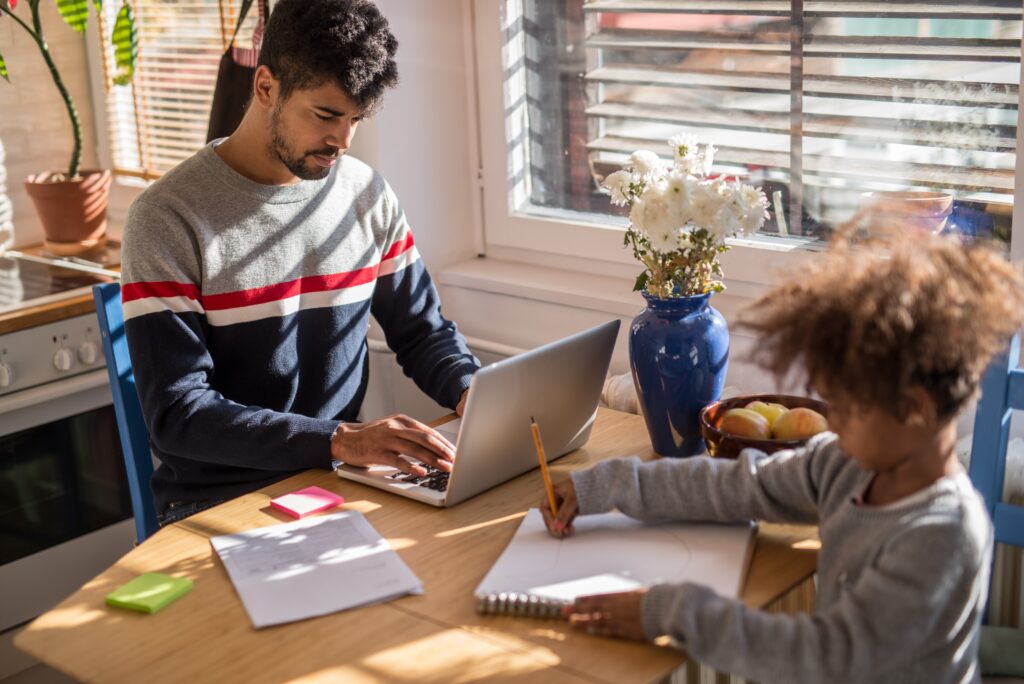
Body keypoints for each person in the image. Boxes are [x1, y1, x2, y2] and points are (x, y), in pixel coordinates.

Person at [541, 234, 1024, 683]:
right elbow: (737, 486)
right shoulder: (846, 465)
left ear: (915, 408)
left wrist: (674, 609)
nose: (833, 421)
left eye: (850, 407)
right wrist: (603, 486)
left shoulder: (943, 535)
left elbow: (826, 657)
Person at [121, 0, 478, 525]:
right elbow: (179, 415)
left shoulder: (365, 194)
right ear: (266, 87)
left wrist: (474, 396)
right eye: (326, 115)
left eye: (356, 119)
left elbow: (422, 332)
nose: (342, 140)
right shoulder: (168, 217)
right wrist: (340, 440)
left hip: (336, 480)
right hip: (218, 499)